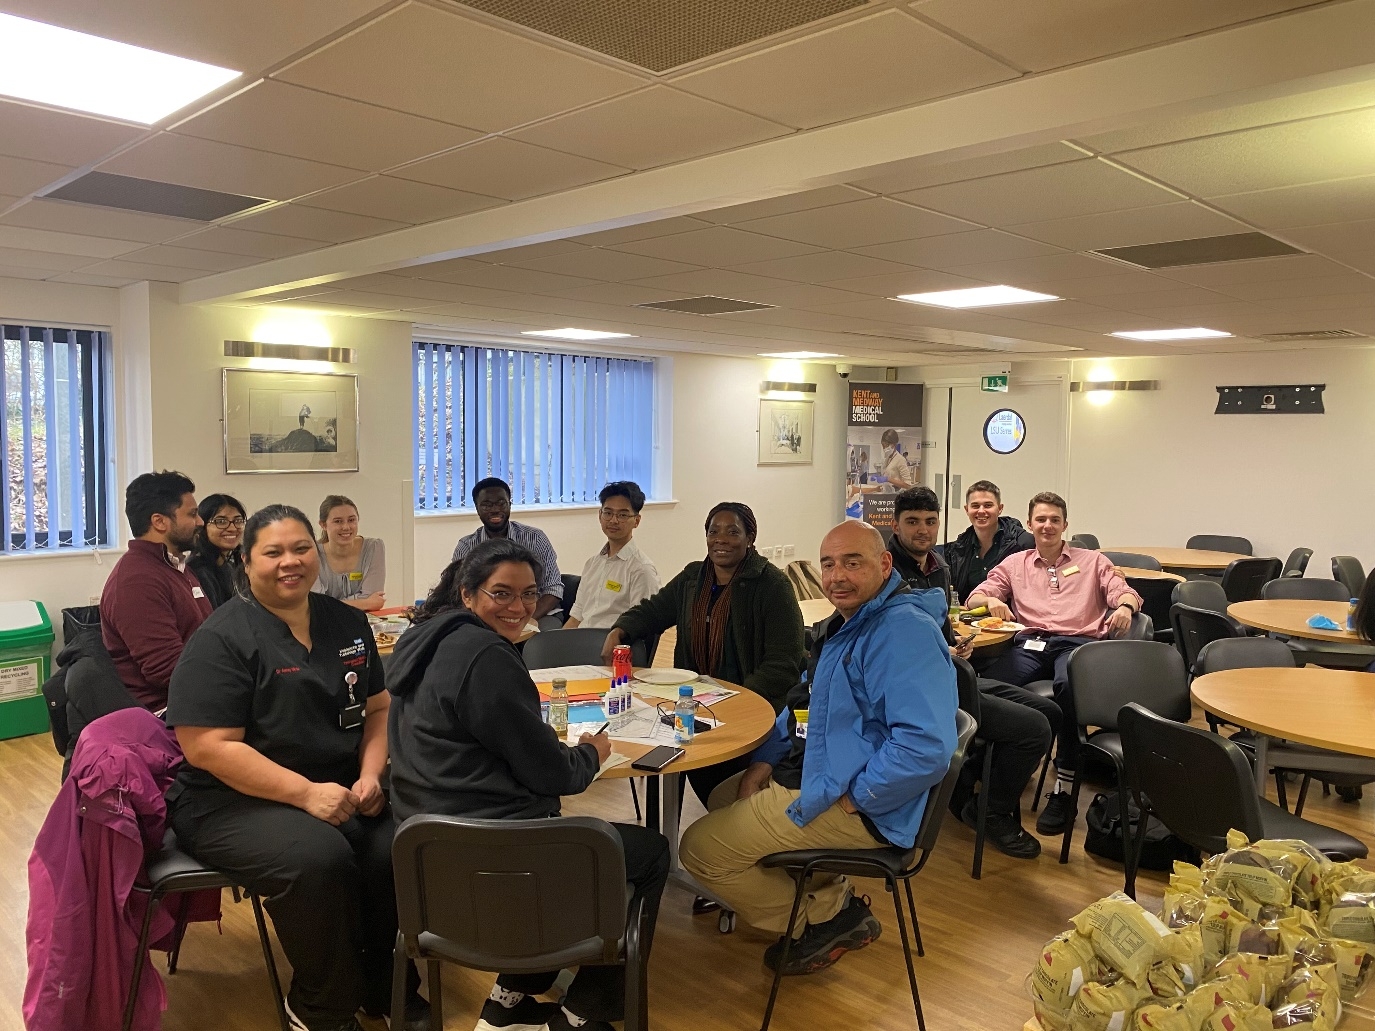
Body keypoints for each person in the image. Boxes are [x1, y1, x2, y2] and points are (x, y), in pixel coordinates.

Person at [387, 539, 669, 1031]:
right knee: (647, 852)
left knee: (568, 837)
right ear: (468, 594)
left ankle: (508, 1001)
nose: (518, 608)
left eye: (528, 595)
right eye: (501, 594)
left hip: (432, 850)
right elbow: (553, 773)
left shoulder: (425, 643)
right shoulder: (485, 657)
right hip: (497, 850)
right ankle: (585, 1012)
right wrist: (591, 753)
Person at [165, 505, 427, 1031]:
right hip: (231, 799)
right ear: (246, 559)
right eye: (273, 552)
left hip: (342, 786)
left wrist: (372, 774)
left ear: (317, 550)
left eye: (301, 548)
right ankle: (319, 1006)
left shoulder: (347, 623)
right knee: (318, 858)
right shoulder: (222, 638)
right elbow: (207, 746)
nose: (291, 562)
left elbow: (378, 709)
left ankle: (384, 984)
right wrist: (306, 794)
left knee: (398, 843)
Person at [680, 520, 957, 974]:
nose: (837, 576)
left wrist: (856, 799)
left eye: (853, 562)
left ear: (884, 564)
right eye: (828, 564)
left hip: (866, 804)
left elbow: (925, 747)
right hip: (824, 773)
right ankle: (833, 896)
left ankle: (822, 919)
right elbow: (807, 706)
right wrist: (766, 762)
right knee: (723, 794)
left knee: (698, 850)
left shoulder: (901, 631)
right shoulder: (849, 625)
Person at [887, 487, 1055, 859]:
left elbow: (941, 630)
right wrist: (938, 649)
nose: (923, 531)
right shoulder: (885, 570)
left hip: (949, 673)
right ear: (895, 525)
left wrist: (953, 644)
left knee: (1051, 712)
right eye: (912, 522)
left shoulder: (938, 567)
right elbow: (887, 640)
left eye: (930, 522)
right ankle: (988, 813)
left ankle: (964, 785)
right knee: (1034, 730)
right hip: (919, 690)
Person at [602, 502, 805, 806]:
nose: (721, 539)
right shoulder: (693, 578)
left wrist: (737, 697)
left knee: (719, 788)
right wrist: (620, 630)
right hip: (695, 702)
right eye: (714, 531)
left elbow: (783, 663)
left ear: (750, 537)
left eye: (732, 532)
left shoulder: (771, 585)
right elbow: (655, 610)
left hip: (752, 707)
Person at [966, 491, 1143, 838]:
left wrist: (1124, 608)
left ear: (1065, 525)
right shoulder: (1015, 563)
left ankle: (1063, 786)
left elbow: (1123, 591)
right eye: (1041, 520)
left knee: (1068, 688)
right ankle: (983, 767)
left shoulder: (1092, 560)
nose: (1047, 526)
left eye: (1054, 520)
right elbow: (976, 595)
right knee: (982, 683)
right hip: (1031, 644)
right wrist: (990, 601)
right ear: (1030, 524)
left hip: (1076, 644)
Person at [99, 471, 213, 711]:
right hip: (169, 713)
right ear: (160, 521)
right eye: (192, 514)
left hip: (197, 695)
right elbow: (168, 671)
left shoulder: (173, 566)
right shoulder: (138, 581)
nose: (200, 522)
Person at [451, 478, 563, 621]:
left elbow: (553, 588)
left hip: (538, 615)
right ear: (477, 508)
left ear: (509, 504)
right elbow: (459, 593)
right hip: (486, 618)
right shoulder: (467, 546)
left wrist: (524, 619)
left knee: (543, 642)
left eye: (501, 503)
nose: (495, 510)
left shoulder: (535, 538)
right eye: (487, 505)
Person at [565, 481, 661, 629]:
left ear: (636, 521)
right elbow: (577, 615)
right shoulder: (592, 564)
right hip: (581, 643)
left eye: (622, 515)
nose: (613, 520)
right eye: (608, 513)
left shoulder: (642, 570)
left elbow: (642, 624)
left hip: (613, 647)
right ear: (600, 515)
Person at [944, 480, 1032, 603]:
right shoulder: (958, 549)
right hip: (969, 618)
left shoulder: (1023, 544)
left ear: (1000, 509)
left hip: (1011, 619)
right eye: (975, 506)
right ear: (966, 509)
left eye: (988, 505)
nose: (981, 511)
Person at [314, 495, 386, 611]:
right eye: (338, 521)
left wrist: (331, 604)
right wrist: (365, 603)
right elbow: (316, 605)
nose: (346, 527)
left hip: (363, 622)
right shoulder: (312, 553)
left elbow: (375, 599)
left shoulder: (374, 547)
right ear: (323, 525)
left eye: (351, 520)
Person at [187, 493, 246, 609]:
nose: (232, 528)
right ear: (202, 526)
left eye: (238, 520)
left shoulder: (233, 565)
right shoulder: (198, 571)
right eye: (221, 521)